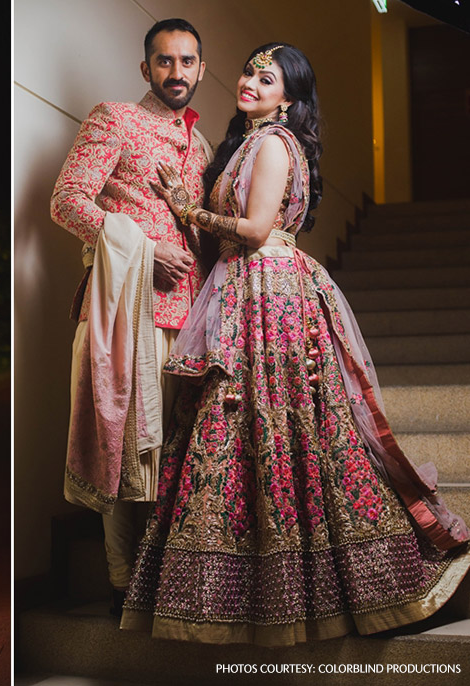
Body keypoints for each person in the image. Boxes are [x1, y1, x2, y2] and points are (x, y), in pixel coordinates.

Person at [120, 42, 470, 646]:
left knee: (280, 429)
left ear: (288, 98)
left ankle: (322, 586)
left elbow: (257, 231)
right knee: (243, 429)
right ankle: (242, 591)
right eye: (250, 72)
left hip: (270, 294)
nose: (251, 83)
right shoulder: (250, 142)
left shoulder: (276, 145)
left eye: (268, 78)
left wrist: (186, 210)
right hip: (247, 290)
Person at [50, 18, 212, 616]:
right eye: (165, 61)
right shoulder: (114, 118)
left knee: (183, 451)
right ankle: (123, 582)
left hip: (193, 319)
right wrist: (145, 250)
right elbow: (66, 201)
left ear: (201, 68)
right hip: (127, 312)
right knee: (124, 446)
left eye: (187, 61)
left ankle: (166, 574)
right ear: (147, 68)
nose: (176, 71)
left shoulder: (202, 146)